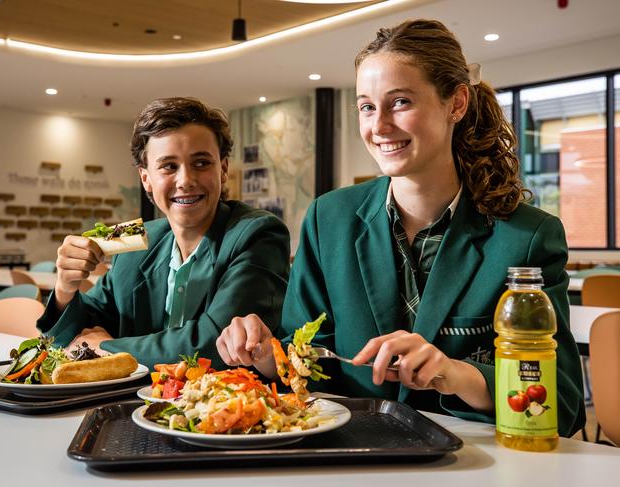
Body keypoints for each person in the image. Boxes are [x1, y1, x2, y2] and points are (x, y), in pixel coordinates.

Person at [216, 19, 585, 437]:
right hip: (350, 454)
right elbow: (304, 364)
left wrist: (454, 373)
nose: (379, 127)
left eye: (401, 102)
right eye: (367, 107)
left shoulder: (528, 237)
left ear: (456, 104)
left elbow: (563, 403)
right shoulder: (328, 219)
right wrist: (266, 354)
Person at [37, 97, 290, 369]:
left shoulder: (259, 232)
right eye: (169, 166)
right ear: (146, 178)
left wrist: (106, 348)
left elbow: (214, 344)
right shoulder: (133, 238)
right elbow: (74, 336)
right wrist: (65, 287)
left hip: (227, 403)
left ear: (223, 168)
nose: (186, 180)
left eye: (202, 163)